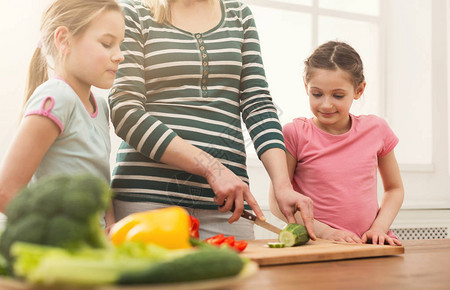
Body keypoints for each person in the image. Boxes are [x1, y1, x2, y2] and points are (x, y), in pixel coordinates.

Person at [108, 0, 316, 240]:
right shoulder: (135, 13)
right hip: (147, 199)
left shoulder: (239, 14)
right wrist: (211, 168)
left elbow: (257, 103)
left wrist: (282, 185)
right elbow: (125, 111)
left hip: (228, 206)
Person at [0, 0, 125, 222]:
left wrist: (110, 225)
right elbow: (6, 192)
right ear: (63, 40)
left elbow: (99, 181)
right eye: (107, 44)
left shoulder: (100, 106)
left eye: (120, 45)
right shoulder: (57, 97)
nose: (119, 55)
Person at [270, 41, 404, 246]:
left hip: (369, 245)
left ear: (359, 90)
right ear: (306, 87)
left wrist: (379, 228)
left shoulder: (376, 129)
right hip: (319, 244)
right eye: (317, 94)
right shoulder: (294, 133)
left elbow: (394, 189)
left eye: (338, 95)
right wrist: (326, 232)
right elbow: (277, 202)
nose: (326, 104)